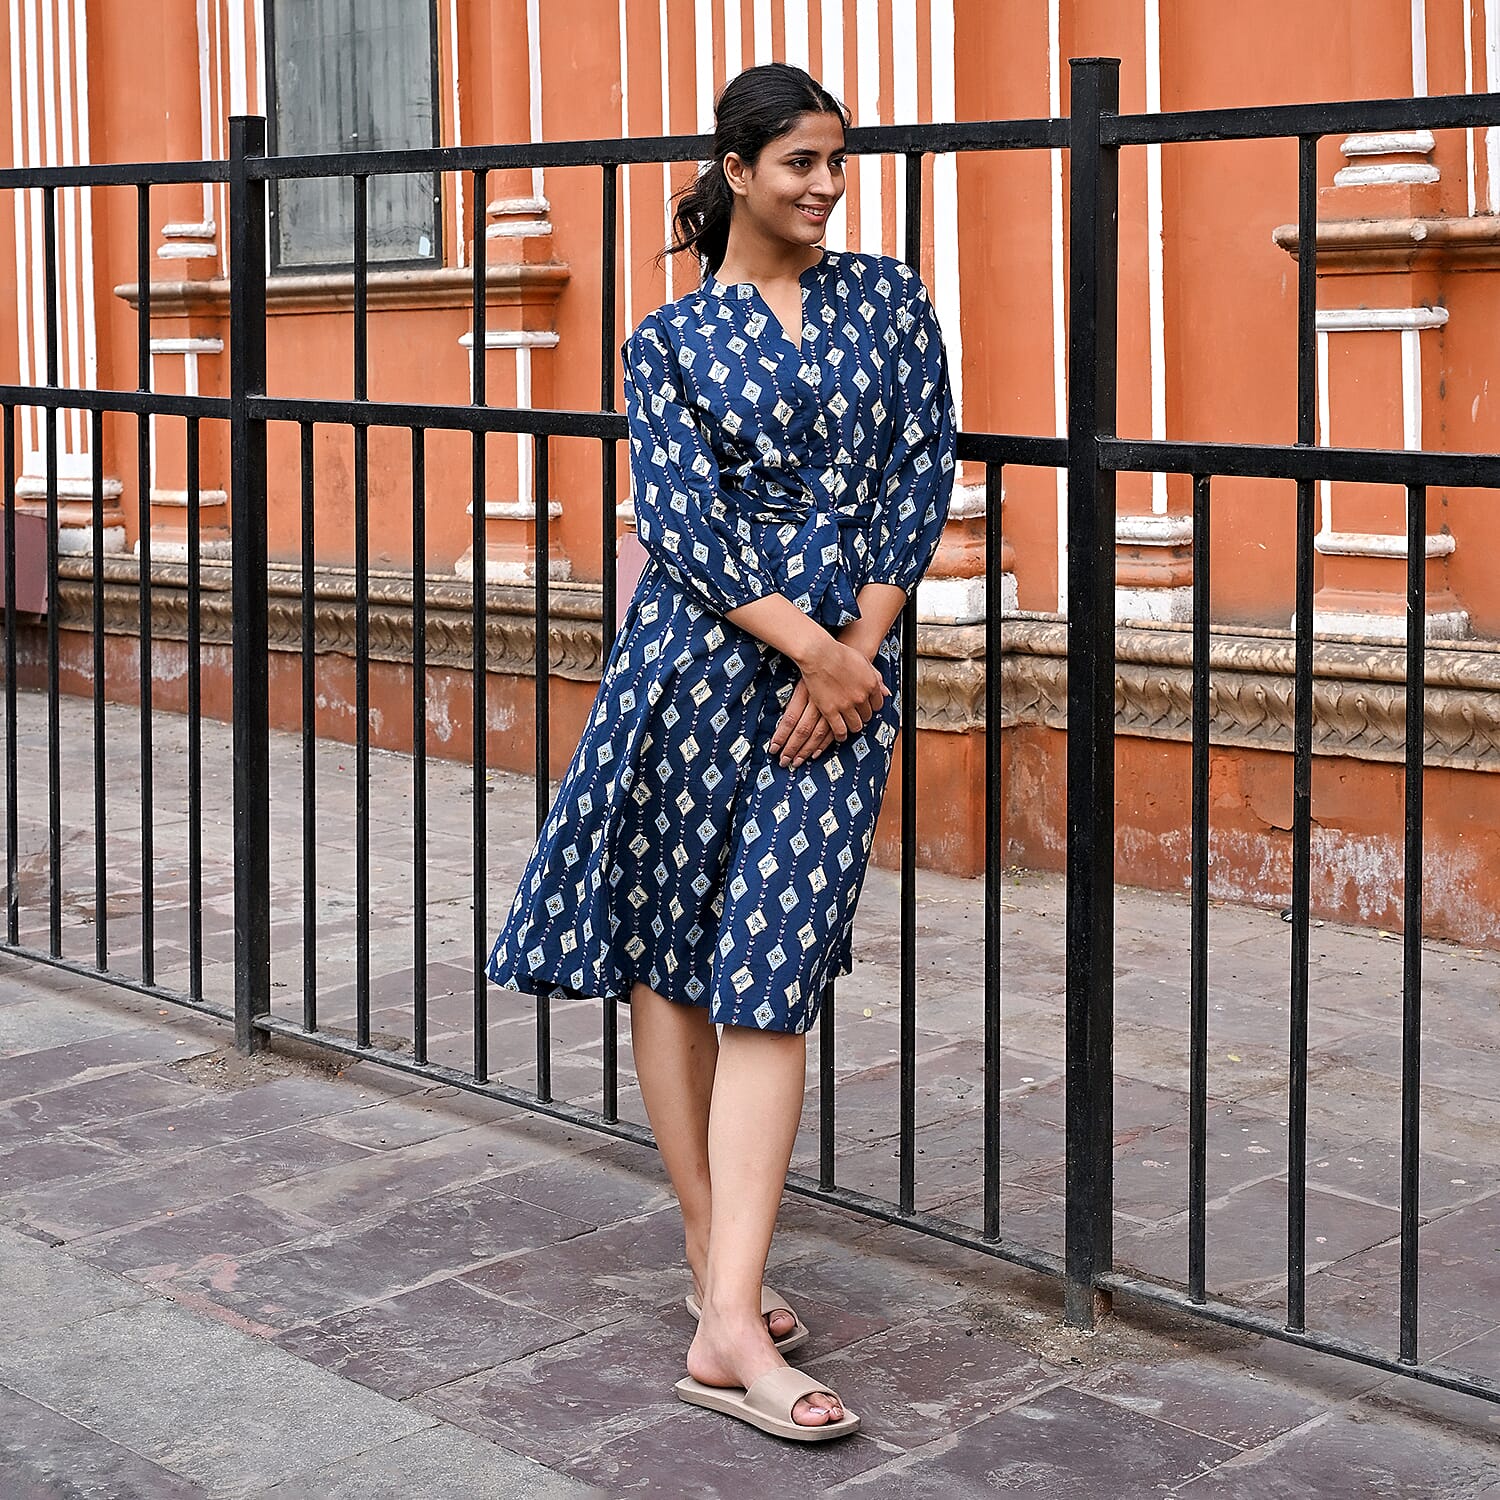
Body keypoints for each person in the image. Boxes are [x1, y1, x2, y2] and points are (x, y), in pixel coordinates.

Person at [486, 60, 956, 1443]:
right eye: (800, 162)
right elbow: (681, 528)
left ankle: (725, 1313)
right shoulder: (669, 341)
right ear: (738, 171)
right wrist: (808, 651)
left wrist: (852, 655)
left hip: (843, 686)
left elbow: (923, 469)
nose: (824, 186)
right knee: (676, 953)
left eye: (837, 161)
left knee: (771, 975)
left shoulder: (890, 300)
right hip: (700, 671)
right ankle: (724, 1291)